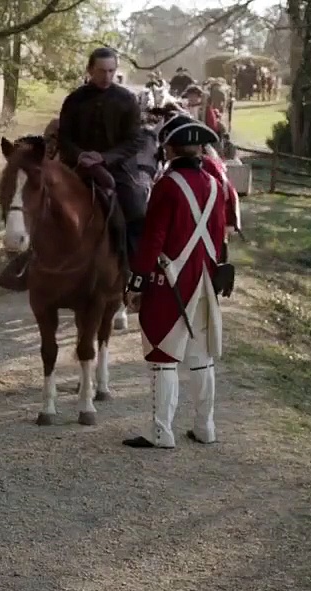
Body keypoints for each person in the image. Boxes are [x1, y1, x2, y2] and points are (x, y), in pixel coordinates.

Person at [0, 47, 148, 289]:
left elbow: (135, 140)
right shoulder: (74, 100)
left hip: (117, 167)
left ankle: (135, 272)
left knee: (135, 207)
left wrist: (104, 157)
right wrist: (81, 155)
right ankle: (27, 265)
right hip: (76, 165)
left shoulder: (127, 100)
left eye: (111, 71)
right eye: (101, 71)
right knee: (43, 200)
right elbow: (65, 137)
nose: (107, 76)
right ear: (90, 70)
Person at [123, 115, 227, 449]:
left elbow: (153, 238)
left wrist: (137, 281)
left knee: (162, 356)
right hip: (204, 279)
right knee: (201, 356)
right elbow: (218, 237)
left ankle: (161, 432)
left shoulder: (167, 185)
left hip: (170, 280)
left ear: (169, 148)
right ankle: (205, 427)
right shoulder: (214, 183)